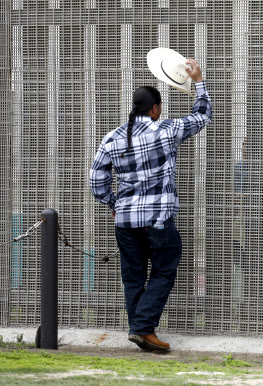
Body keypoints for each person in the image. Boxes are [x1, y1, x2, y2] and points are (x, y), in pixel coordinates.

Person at [89, 59, 212, 352]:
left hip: (126, 222)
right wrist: (198, 80)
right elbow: (202, 115)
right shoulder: (166, 130)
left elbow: (96, 179)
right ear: (155, 109)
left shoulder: (112, 138)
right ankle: (144, 328)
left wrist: (113, 202)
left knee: (133, 277)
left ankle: (140, 331)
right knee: (164, 271)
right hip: (158, 220)